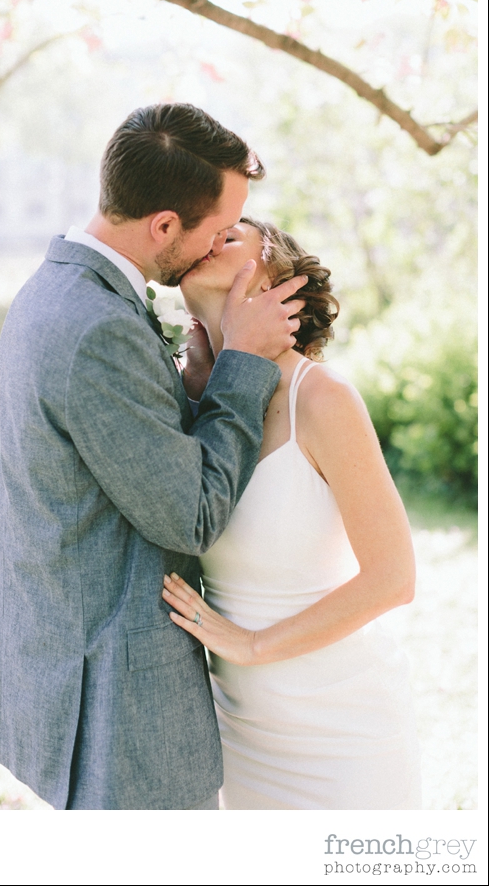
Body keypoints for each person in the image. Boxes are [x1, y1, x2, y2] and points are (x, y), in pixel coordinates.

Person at [0, 105, 307, 810]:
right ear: (164, 226)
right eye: (218, 231)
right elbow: (190, 516)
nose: (224, 243)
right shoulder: (98, 326)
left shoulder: (53, 292)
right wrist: (244, 363)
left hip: (73, 672)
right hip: (118, 704)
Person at [163, 217, 422, 810]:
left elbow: (394, 578)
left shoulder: (323, 399)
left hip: (343, 736)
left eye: (227, 238)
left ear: (279, 283)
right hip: (242, 739)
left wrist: (251, 645)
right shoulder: (192, 403)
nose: (206, 241)